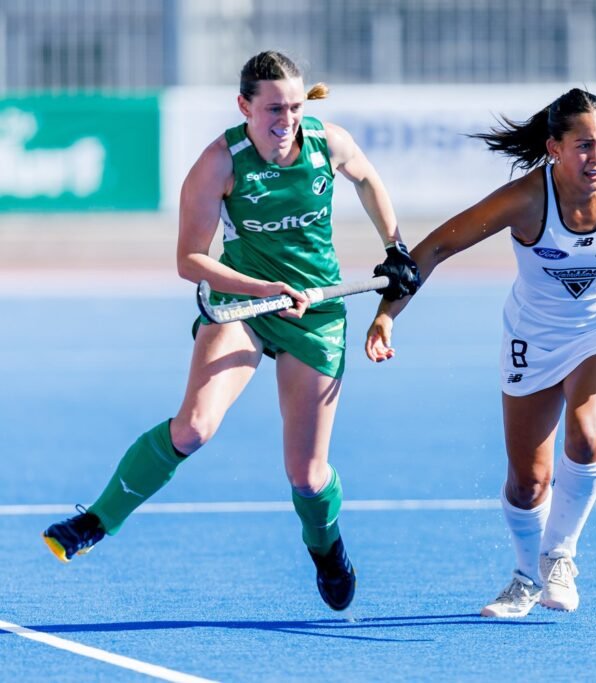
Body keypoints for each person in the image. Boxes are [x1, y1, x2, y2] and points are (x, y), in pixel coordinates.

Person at [41, 50, 419, 612]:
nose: (284, 120)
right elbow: (190, 259)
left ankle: (325, 546)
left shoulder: (327, 143)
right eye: (271, 108)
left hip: (315, 315)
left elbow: (366, 179)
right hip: (241, 307)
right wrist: (263, 290)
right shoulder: (219, 163)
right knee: (193, 427)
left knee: (308, 476)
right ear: (244, 106)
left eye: (292, 106)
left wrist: (394, 244)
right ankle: (98, 519)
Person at [364, 88, 596, 618]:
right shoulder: (526, 201)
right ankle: (524, 575)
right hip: (533, 339)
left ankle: (560, 556)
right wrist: (386, 313)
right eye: (584, 145)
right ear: (554, 147)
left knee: (586, 437)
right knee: (527, 481)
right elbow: (438, 247)